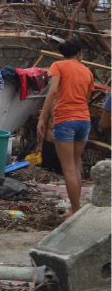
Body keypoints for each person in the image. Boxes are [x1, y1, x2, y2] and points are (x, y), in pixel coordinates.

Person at [37, 38, 94, 216]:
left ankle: (75, 210)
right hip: (84, 120)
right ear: (80, 53)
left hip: (65, 119)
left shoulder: (58, 66)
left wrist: (42, 118)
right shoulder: (87, 71)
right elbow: (87, 98)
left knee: (68, 167)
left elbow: (53, 91)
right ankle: (76, 208)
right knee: (75, 164)